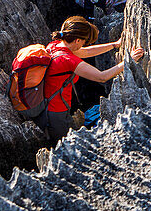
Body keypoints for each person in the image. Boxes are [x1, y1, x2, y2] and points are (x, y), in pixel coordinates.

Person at [40, 16, 144, 144]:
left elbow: (85, 52)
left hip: (47, 106)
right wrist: (129, 60)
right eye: (84, 42)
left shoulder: (55, 45)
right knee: (64, 146)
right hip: (56, 112)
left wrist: (114, 45)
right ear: (78, 40)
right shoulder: (67, 60)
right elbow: (102, 76)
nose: (84, 45)